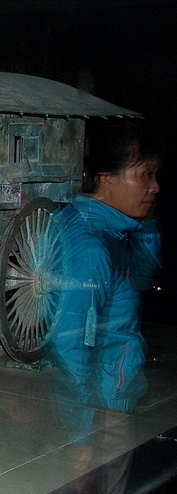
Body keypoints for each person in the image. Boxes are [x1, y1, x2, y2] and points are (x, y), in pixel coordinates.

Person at [46, 119, 162, 458]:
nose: (155, 187)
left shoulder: (113, 231)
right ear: (107, 178)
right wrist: (81, 436)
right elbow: (67, 343)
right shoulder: (91, 245)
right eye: (144, 175)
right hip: (103, 410)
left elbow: (144, 276)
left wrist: (146, 224)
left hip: (110, 396)